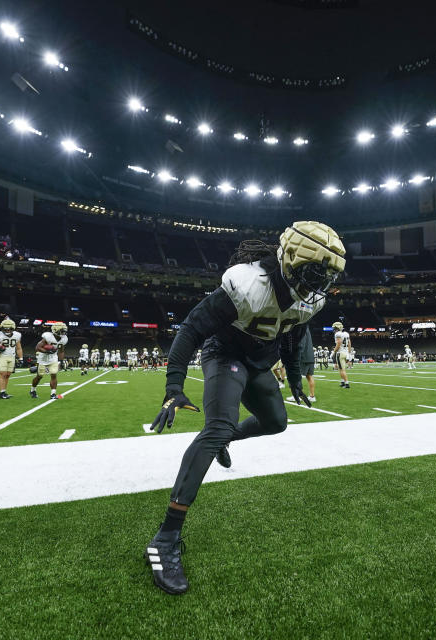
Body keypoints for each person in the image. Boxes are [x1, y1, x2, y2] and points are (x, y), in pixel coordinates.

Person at [144, 221, 345, 595]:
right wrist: (173, 387)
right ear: (289, 259)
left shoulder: (312, 299)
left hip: (258, 360)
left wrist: (297, 377)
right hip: (226, 354)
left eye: (324, 276)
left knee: (276, 421)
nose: (316, 284)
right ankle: (165, 537)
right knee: (218, 426)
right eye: (311, 272)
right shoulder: (249, 284)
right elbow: (191, 329)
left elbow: (293, 329)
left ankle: (225, 438)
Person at [0, 318, 23, 399]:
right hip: (2, 356)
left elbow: (19, 348)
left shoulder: (17, 335)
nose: (7, 330)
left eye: (9, 328)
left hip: (12, 357)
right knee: (3, 374)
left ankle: (4, 391)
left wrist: (21, 358)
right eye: (5, 328)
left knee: (8, 375)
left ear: (13, 328)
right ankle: (1, 392)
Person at [30, 322, 68, 399]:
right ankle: (32, 390)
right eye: (61, 331)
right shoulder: (48, 337)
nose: (63, 333)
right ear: (55, 330)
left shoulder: (64, 339)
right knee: (39, 376)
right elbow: (37, 347)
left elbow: (61, 351)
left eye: (64, 331)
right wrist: (46, 351)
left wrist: (61, 361)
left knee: (54, 374)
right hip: (42, 358)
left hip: (53, 358)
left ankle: (53, 394)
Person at [288, 329, 317, 403]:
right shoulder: (307, 329)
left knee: (296, 376)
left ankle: (297, 396)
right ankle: (312, 396)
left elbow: (301, 343)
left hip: (303, 356)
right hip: (310, 356)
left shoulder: (301, 328)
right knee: (309, 376)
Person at [332, 321, 351, 388]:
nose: (333, 329)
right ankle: (342, 381)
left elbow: (339, 343)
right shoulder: (346, 334)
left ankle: (347, 383)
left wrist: (334, 352)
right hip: (345, 353)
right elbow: (349, 343)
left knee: (341, 369)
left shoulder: (338, 334)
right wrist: (349, 352)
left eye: (334, 328)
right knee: (341, 369)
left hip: (340, 353)